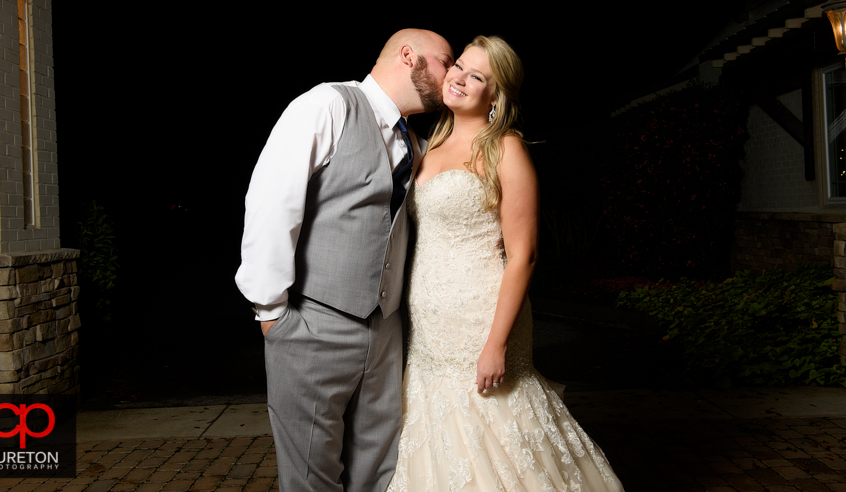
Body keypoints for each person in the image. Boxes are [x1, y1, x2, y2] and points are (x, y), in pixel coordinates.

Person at [386, 36, 624, 492]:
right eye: (458, 66)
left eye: (476, 76)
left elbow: (524, 255)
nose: (457, 77)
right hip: (429, 325)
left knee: (501, 429)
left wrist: (496, 344)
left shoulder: (506, 149)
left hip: (480, 318)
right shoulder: (427, 146)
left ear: (495, 97)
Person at [235, 29, 454, 492]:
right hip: (314, 325)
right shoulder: (327, 105)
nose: (450, 73)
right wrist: (271, 313)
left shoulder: (412, 143)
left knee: (379, 471)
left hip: (386, 330)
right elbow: (273, 204)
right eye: (444, 61)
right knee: (312, 478)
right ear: (408, 56)